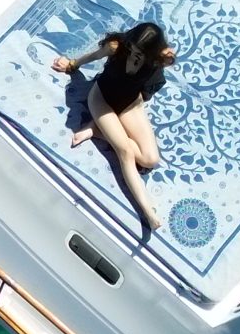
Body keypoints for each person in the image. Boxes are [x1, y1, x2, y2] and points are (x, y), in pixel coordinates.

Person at [51, 19, 177, 237]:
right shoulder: (117, 47)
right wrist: (71, 65)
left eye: (141, 52)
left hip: (130, 103)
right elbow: (91, 57)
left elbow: (152, 80)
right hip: (103, 98)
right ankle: (147, 212)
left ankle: (98, 129)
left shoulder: (161, 58)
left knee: (150, 160)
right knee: (126, 152)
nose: (135, 54)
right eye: (133, 48)